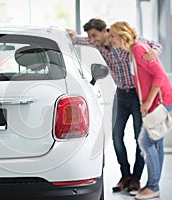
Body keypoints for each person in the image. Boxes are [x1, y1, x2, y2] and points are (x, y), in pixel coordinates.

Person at [67, 18, 163, 194]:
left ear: (106, 31)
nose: (92, 40)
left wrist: (155, 52)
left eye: (95, 35)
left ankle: (135, 179)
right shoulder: (98, 44)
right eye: (90, 37)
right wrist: (71, 35)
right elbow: (79, 39)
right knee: (117, 137)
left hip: (136, 95)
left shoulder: (122, 39)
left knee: (138, 138)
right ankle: (125, 176)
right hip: (120, 94)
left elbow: (154, 44)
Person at [109, 21, 172, 199]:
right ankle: (154, 185)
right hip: (158, 100)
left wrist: (147, 103)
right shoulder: (132, 51)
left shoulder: (138, 49)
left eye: (113, 36)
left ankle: (153, 186)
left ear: (122, 35)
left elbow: (159, 74)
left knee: (145, 142)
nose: (111, 40)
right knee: (155, 142)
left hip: (160, 100)